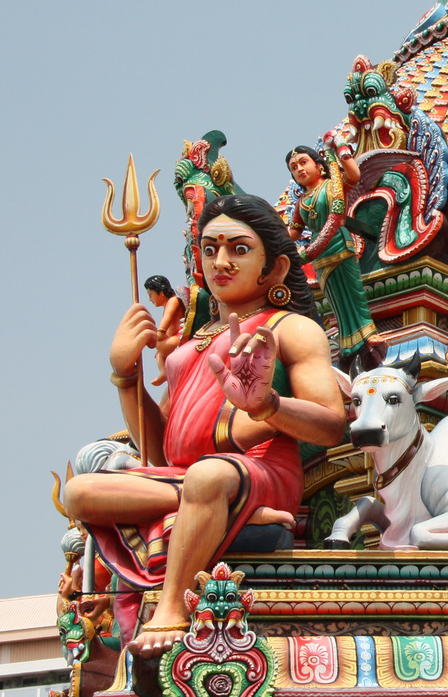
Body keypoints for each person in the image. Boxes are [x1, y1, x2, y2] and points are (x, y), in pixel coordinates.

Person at [64, 194, 347, 657]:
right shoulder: (189, 346)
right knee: (82, 492)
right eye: (210, 248)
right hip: (187, 477)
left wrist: (267, 404)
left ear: (274, 269)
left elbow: (332, 425)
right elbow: (159, 452)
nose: (221, 261)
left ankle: (171, 606)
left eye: (238, 249)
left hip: (260, 471)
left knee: (208, 475)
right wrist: (126, 375)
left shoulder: (289, 328)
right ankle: (221, 512)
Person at [286, 144, 377, 362]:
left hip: (338, 242)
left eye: (303, 162)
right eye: (294, 167)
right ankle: (347, 342)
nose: (299, 169)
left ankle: (368, 334)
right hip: (318, 255)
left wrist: (343, 152)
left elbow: (354, 175)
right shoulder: (301, 203)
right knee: (335, 299)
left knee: (353, 292)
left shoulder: (332, 186)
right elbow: (294, 232)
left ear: (319, 166)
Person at [144, 275, 187, 387]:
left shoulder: (173, 301)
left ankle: (164, 372)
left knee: (155, 343)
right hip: (172, 338)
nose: (150, 299)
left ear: (161, 292)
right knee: (159, 354)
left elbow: (165, 323)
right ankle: (164, 372)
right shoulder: (168, 304)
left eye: (151, 295)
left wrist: (157, 334)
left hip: (178, 339)